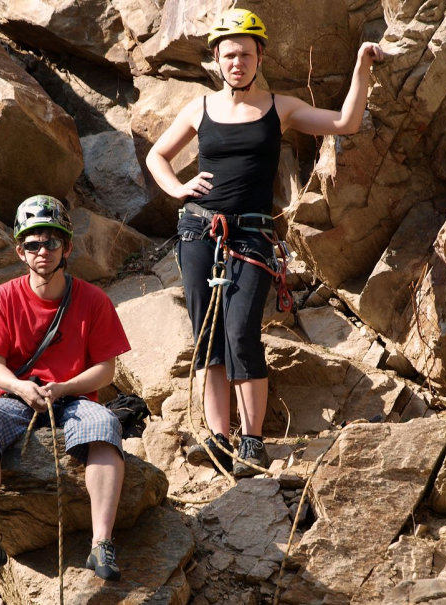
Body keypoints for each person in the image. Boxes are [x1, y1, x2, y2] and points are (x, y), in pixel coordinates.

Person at [146, 8, 384, 477]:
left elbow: (346, 123)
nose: (237, 62)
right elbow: (157, 155)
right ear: (216, 59)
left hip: (251, 234)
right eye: (229, 54)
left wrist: (362, 67)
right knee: (208, 336)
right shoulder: (200, 109)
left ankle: (251, 441)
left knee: (240, 331)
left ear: (260, 57)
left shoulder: (282, 107)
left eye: (246, 54)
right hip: (199, 230)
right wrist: (177, 188)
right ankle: (218, 437)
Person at [0, 195, 130, 588]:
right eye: (33, 244)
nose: (43, 251)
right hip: (18, 396)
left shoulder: (93, 300)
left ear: (67, 247)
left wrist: (65, 385)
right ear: (21, 251)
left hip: (75, 396)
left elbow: (105, 370)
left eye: (52, 242)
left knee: (104, 426)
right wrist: (20, 386)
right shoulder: (3, 297)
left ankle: (102, 542)